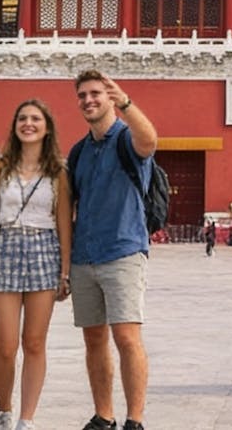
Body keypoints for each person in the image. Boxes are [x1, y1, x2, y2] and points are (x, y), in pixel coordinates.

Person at [69, 70, 158, 430]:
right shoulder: (78, 151)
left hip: (123, 250)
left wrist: (127, 104)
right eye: (83, 95)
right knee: (94, 339)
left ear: (109, 98)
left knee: (126, 337)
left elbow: (150, 140)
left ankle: (134, 419)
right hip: (84, 255)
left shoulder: (127, 139)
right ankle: (104, 414)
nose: (89, 100)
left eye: (96, 94)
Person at [0, 99, 73, 430]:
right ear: (14, 125)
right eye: (22, 118)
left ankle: (26, 418)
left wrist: (65, 271)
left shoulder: (58, 172)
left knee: (34, 342)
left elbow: (64, 223)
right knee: (5, 346)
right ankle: (4, 408)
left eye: (36, 119)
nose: (28, 123)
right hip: (5, 248)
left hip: (43, 250)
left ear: (47, 128)